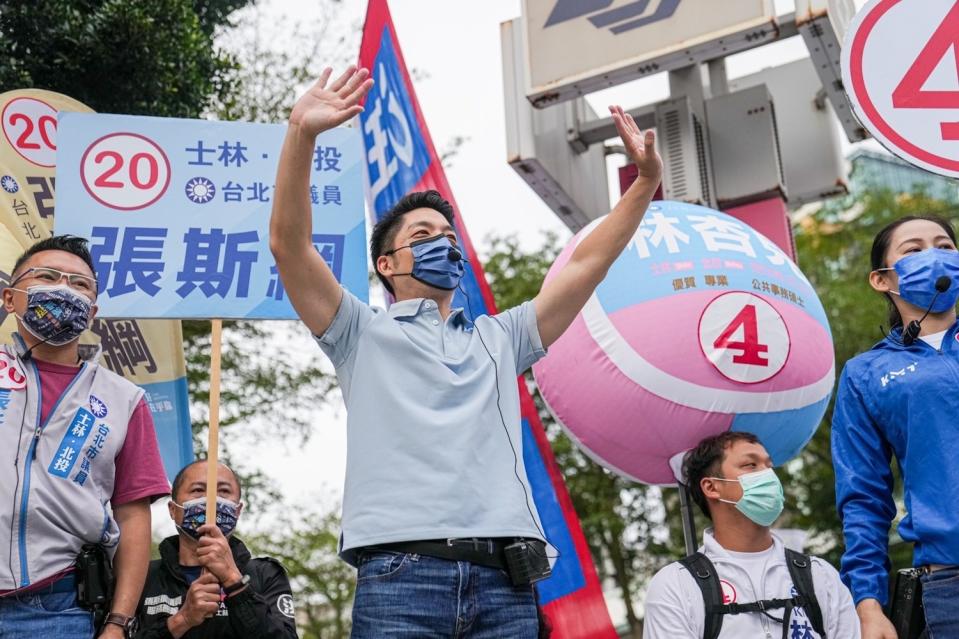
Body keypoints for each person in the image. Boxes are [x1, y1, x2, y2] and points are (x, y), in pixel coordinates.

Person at [270, 65, 663, 637]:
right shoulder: (358, 331)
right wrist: (301, 133)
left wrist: (643, 187)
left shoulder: (500, 338)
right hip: (399, 579)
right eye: (423, 237)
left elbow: (584, 262)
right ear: (386, 265)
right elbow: (289, 243)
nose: (442, 246)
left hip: (505, 583)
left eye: (448, 239)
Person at [0, 235, 170, 638]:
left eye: (79, 285)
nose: (63, 289)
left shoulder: (124, 399)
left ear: (92, 312)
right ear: (10, 298)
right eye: (47, 277)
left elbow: (132, 516)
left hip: (54, 608)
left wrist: (118, 622)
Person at [832, 214, 959, 639]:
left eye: (945, 246)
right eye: (914, 250)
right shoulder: (865, 374)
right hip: (950, 585)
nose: (936, 258)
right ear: (882, 279)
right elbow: (863, 496)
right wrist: (867, 603)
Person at [643, 432, 859, 639]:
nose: (768, 476)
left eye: (769, 466)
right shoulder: (676, 585)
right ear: (711, 487)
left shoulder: (820, 575)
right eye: (750, 465)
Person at [135, 460, 298, 639]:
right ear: (173, 509)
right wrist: (182, 620)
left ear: (237, 510)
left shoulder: (265, 575)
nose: (211, 499)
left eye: (224, 491)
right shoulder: (140, 578)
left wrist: (234, 582)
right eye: (198, 490)